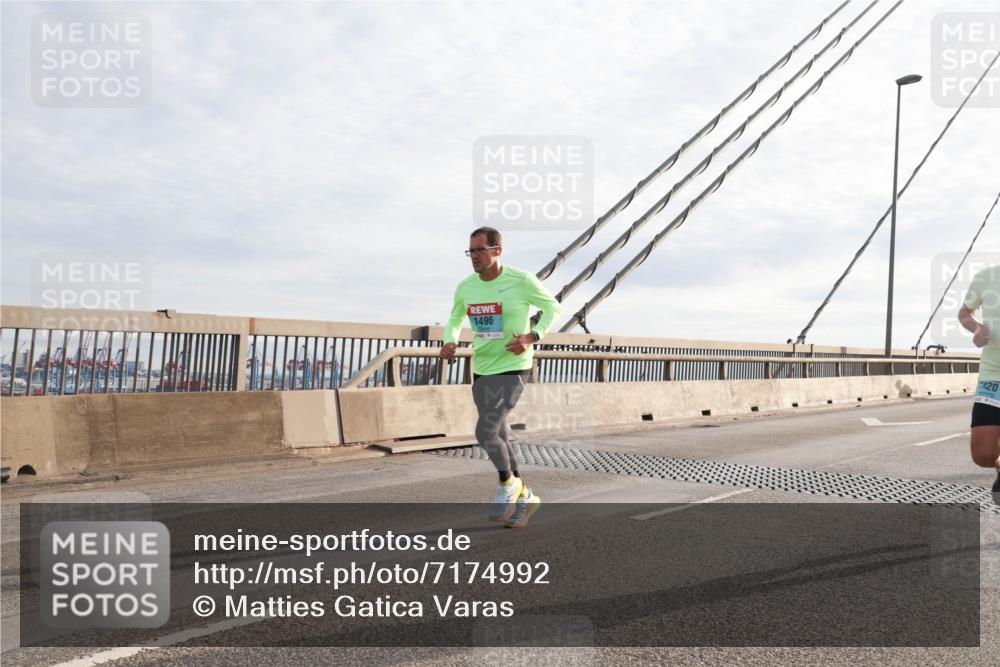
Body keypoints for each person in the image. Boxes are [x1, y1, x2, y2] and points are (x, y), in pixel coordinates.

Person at [440, 226, 562, 527]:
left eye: (481, 250)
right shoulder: (466, 287)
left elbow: (552, 307)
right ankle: (527, 498)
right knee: (501, 436)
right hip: (482, 368)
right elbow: (456, 317)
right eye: (471, 251)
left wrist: (532, 336)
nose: (475, 256)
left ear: (498, 251)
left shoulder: (520, 281)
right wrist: (450, 340)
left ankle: (507, 483)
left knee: (486, 431)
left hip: (514, 366)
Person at [958, 264, 1000, 502]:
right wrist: (976, 328)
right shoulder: (986, 277)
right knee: (982, 454)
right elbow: (964, 313)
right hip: (994, 375)